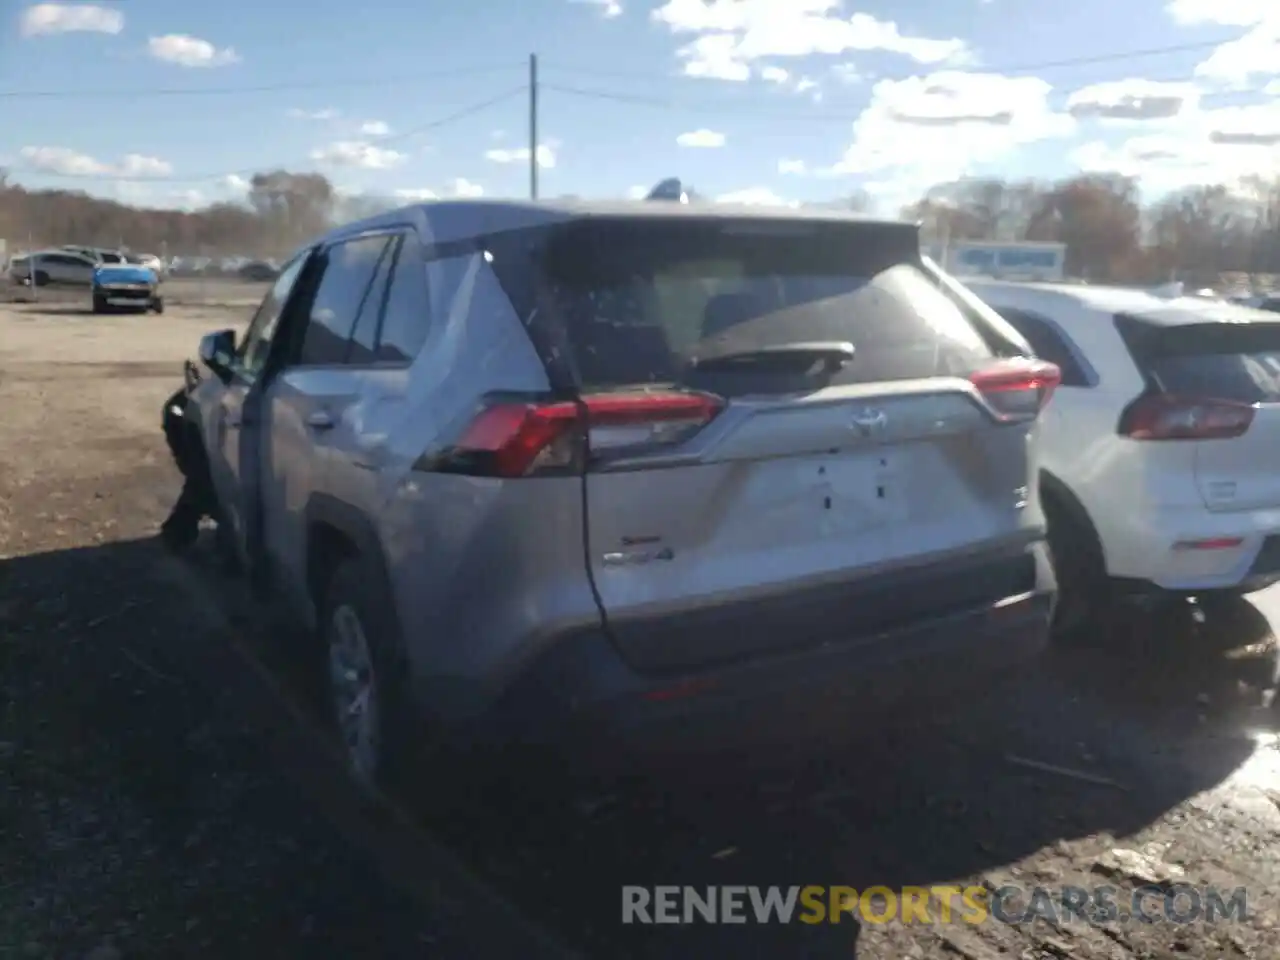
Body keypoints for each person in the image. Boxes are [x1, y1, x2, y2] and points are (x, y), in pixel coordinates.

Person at [159, 363, 237, 569]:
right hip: (187, 422)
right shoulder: (203, 398)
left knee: (203, 483)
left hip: (188, 418)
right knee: (203, 483)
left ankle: (181, 534)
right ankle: (179, 536)